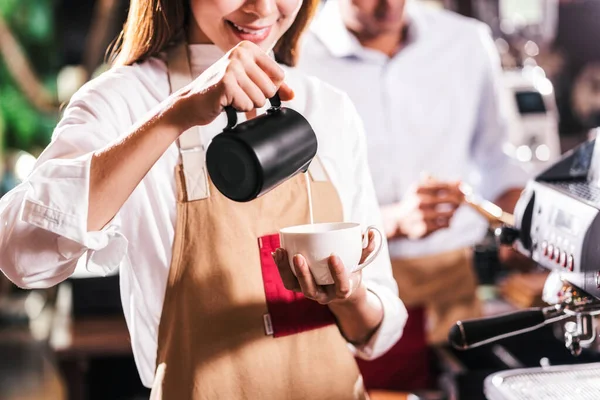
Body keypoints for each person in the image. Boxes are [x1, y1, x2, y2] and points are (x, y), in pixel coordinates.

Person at [0, 0, 408, 398]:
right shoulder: (124, 100)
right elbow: (21, 256)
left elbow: (377, 329)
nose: (263, 8)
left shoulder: (328, 107)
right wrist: (177, 113)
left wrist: (349, 295)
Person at [298, 0, 528, 392]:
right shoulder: (298, 53)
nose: (390, 6)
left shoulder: (466, 41)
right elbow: (289, 202)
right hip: (352, 289)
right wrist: (391, 221)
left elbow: (497, 161)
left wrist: (522, 224)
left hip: (454, 284)